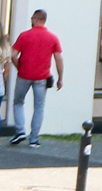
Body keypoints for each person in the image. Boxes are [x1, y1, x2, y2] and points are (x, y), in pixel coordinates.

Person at [11, 8, 64, 144]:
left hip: (24, 75)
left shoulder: (24, 35)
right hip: (42, 77)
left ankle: (20, 131)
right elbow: (59, 58)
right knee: (39, 107)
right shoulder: (53, 38)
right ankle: (34, 139)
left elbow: (13, 55)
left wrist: (19, 67)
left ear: (36, 19)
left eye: (32, 19)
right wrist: (60, 78)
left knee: (18, 102)